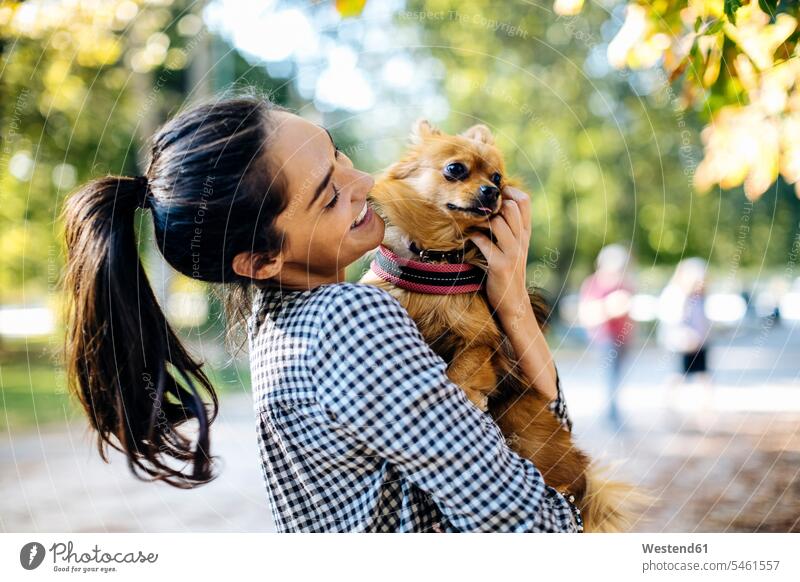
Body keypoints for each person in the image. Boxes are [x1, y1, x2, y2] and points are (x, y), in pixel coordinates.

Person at [62, 91, 580, 532]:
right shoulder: (349, 321)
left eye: (339, 155)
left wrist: (510, 301)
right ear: (262, 260)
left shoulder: (282, 327)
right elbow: (539, 525)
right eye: (329, 196)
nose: (363, 183)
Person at [578, 244, 635, 429]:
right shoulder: (593, 284)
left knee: (618, 377)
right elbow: (586, 315)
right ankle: (611, 416)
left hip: (623, 339)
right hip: (604, 339)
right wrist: (610, 307)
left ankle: (614, 412)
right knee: (608, 377)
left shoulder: (625, 284)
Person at [657, 258, 712, 397]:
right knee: (678, 375)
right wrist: (686, 336)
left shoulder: (699, 296)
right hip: (681, 344)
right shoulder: (675, 294)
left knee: (703, 376)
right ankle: (667, 403)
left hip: (699, 342)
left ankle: (707, 409)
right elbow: (672, 321)